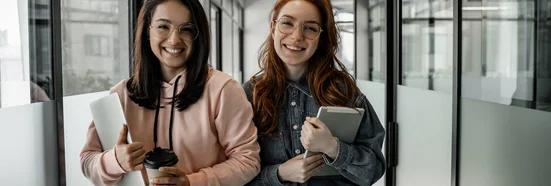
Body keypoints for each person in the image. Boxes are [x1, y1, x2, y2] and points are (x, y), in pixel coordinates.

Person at [80, 0, 260, 185]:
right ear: (147, 31)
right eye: (163, 26)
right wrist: (114, 161)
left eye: (186, 29)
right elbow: (87, 162)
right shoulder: (120, 94)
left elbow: (248, 161)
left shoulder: (223, 89)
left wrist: (192, 182)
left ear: (198, 35)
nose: (174, 39)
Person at [242, 0, 385, 185]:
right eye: (287, 23)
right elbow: (234, 175)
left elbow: (373, 170)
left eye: (310, 28)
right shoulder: (248, 94)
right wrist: (279, 174)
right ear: (273, 28)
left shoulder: (343, 91)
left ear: (321, 37)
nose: (296, 37)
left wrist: (333, 148)